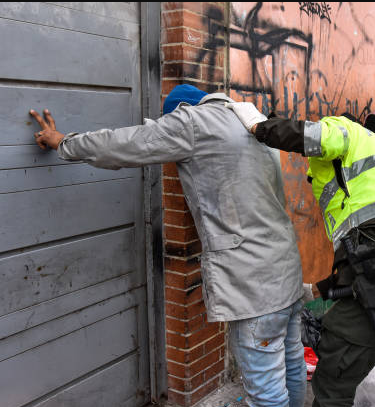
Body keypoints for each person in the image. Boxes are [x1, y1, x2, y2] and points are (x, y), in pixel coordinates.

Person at [29, 84, 307, 407]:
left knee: (266, 395)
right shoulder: (250, 118)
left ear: (177, 113)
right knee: (292, 367)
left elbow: (125, 144)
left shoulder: (192, 122)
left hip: (256, 287)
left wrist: (64, 142)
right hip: (286, 271)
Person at [225, 102, 375, 407]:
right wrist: (319, 288)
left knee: (335, 380)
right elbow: (367, 252)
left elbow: (310, 135)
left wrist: (259, 127)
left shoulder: (348, 131)